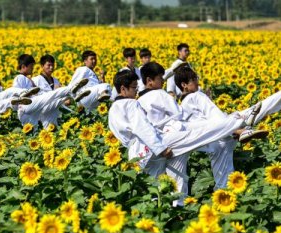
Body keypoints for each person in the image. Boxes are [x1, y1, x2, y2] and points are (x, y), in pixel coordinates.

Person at [109, 70, 264, 204]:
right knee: (195, 135)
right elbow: (142, 127)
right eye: (134, 88)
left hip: (139, 156)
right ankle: (237, 124)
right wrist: (160, 148)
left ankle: (173, 210)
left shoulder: (113, 110)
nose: (136, 92)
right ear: (123, 88)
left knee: (157, 188)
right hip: (151, 146)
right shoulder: (130, 104)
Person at [176, 66, 281, 188]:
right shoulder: (195, 96)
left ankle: (241, 130)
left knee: (224, 181)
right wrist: (233, 127)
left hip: (214, 141)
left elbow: (200, 125)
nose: (198, 82)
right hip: (226, 130)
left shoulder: (182, 107)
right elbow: (214, 116)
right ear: (184, 85)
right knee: (260, 107)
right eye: (194, 80)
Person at [14, 54, 88, 130]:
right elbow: (17, 94)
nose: (33, 68)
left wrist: (65, 99)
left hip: (44, 109)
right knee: (52, 95)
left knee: (49, 128)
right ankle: (71, 89)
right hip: (28, 106)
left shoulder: (52, 80)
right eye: (31, 66)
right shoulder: (26, 78)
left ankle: (73, 93)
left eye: (53, 65)